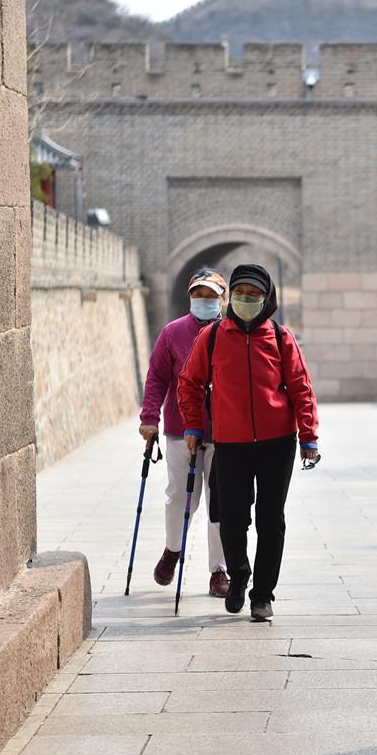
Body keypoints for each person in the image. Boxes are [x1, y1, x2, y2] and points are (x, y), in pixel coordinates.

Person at [177, 264, 319, 621]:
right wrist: (194, 426)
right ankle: (238, 575)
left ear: (267, 299)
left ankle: (263, 595)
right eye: (240, 294)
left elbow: (301, 387)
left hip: (277, 442)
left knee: (271, 519)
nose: (246, 300)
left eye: (254, 296)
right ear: (231, 298)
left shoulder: (281, 337)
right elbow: (189, 383)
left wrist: (309, 436)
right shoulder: (211, 338)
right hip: (230, 442)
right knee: (232, 516)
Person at [139, 268, 230, 597]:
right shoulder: (172, 333)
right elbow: (157, 378)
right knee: (180, 497)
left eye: (210, 296)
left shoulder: (232, 333)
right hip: (181, 431)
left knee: (220, 503)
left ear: (223, 299)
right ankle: (173, 550)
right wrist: (150, 416)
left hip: (223, 433)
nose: (203, 301)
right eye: (197, 295)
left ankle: (218, 570)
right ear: (189, 297)